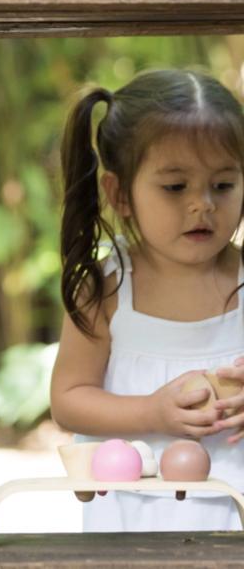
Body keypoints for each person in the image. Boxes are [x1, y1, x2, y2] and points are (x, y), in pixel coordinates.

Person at [51, 69, 244, 532]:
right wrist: (152, 413)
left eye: (223, 185)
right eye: (175, 187)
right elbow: (68, 400)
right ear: (120, 194)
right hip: (131, 525)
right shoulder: (107, 289)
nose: (203, 205)